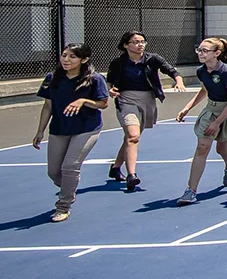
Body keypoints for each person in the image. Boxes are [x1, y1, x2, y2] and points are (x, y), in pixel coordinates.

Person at [32, 44, 110, 222]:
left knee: (70, 166)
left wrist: (83, 101)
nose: (66, 60)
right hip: (60, 128)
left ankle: (63, 206)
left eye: (72, 57)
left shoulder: (95, 79)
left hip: (87, 128)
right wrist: (40, 131)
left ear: (84, 60)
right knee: (53, 171)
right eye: (64, 55)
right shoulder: (53, 78)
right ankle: (69, 187)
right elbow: (48, 106)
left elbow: (103, 103)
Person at [106, 30, 185, 193]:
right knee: (133, 136)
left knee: (131, 138)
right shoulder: (118, 63)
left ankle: (116, 167)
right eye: (135, 42)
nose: (140, 44)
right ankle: (131, 175)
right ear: (126, 45)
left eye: (142, 41)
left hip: (147, 99)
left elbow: (172, 71)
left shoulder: (153, 59)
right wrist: (110, 91)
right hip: (126, 99)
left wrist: (178, 81)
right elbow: (109, 82)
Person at [175, 37, 227, 205]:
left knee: (222, 148)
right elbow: (205, 90)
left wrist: (218, 122)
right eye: (199, 50)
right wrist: (187, 108)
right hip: (212, 109)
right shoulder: (201, 71)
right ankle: (191, 191)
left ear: (217, 53)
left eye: (205, 51)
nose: (201, 53)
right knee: (202, 147)